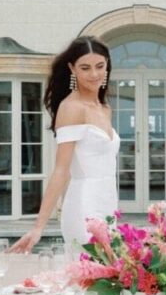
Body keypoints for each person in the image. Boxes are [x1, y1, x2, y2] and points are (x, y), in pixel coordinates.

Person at [10, 36, 119, 253]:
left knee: (110, 276)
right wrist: (38, 227)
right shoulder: (71, 108)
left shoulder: (104, 108)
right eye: (85, 68)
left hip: (108, 201)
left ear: (107, 65)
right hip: (84, 203)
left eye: (100, 66)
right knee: (88, 274)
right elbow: (62, 170)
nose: (94, 74)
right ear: (72, 69)